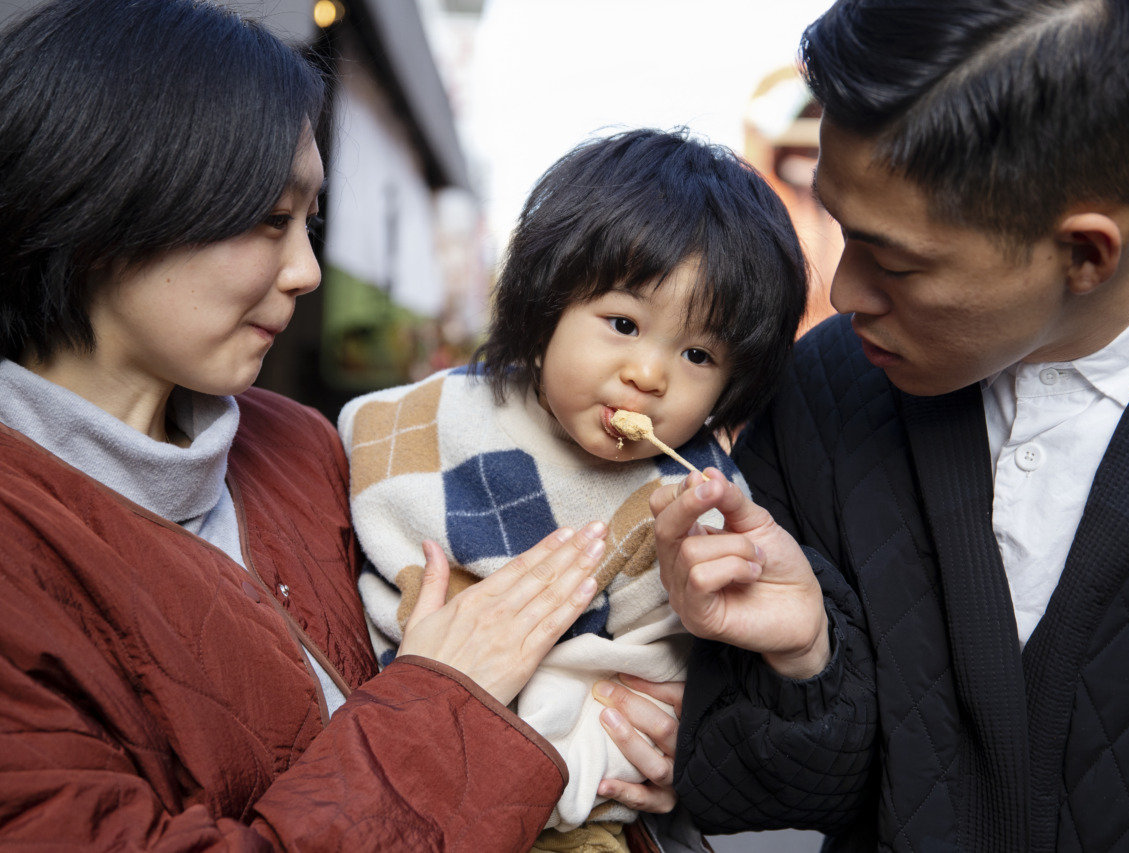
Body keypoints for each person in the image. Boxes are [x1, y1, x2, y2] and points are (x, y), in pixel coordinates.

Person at [0, 1, 677, 848]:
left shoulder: (303, 445)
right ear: (105, 204)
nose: (308, 270)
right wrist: (448, 699)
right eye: (269, 220)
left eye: (311, 223)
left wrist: (614, 719)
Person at [627, 0, 1129, 849]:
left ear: (1085, 253)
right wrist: (804, 660)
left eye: (895, 261)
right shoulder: (827, 392)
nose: (848, 292)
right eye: (838, 225)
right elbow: (747, 788)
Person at [338, 128, 808, 852]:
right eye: (622, 323)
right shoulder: (424, 422)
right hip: (404, 771)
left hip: (596, 799)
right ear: (547, 301)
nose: (649, 375)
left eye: (697, 353)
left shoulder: (695, 503)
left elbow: (670, 678)